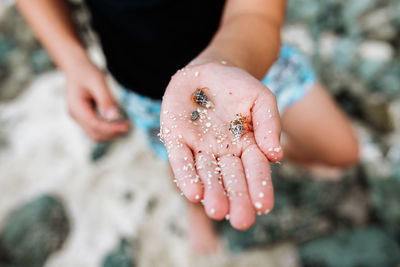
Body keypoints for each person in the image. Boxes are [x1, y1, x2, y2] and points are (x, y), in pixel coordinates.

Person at [16, 0, 359, 253]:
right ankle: (194, 207)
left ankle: (270, 149)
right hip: (148, 90)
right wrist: (72, 58)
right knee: (185, 160)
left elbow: (258, 12)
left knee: (342, 152)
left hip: (247, 62)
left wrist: (222, 62)